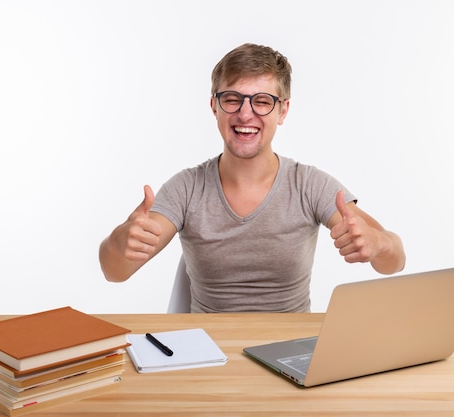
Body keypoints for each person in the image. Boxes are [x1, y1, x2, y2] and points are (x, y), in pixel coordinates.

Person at [99, 43, 405, 313]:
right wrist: (120, 242)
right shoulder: (185, 189)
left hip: (290, 352)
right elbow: (115, 272)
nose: (246, 115)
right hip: (209, 352)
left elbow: (395, 260)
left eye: (261, 101)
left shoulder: (310, 185)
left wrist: (378, 244)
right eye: (232, 99)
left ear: (282, 111)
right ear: (214, 107)